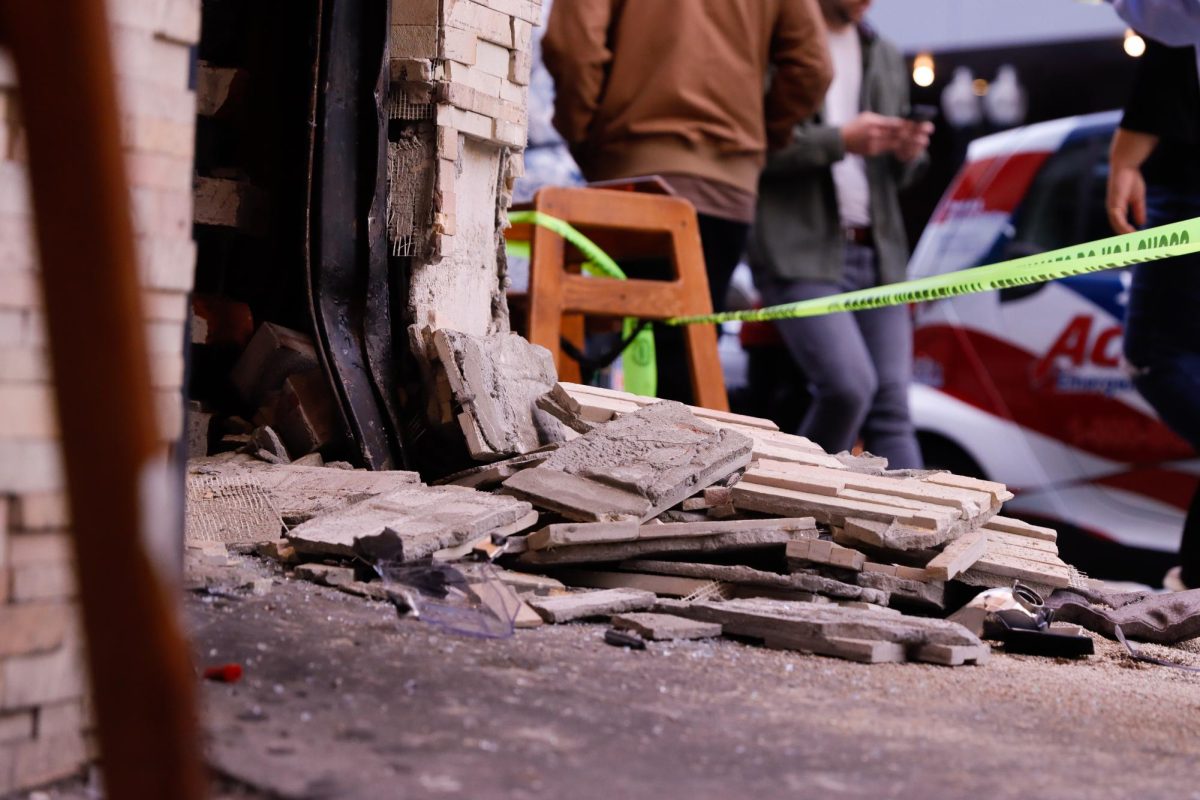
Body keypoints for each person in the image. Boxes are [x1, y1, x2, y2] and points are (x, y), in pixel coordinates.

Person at [541, 0, 833, 400]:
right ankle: (695, 457)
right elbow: (813, 67)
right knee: (690, 356)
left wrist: (585, 136)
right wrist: (760, 135)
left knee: (618, 350)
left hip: (631, 172)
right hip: (727, 190)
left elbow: (573, 45)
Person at [748, 0, 931, 469]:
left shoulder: (883, 50)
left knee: (892, 408)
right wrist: (840, 141)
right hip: (800, 252)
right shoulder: (776, 38)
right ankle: (796, 497)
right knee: (849, 388)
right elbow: (752, 145)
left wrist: (909, 152)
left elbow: (901, 177)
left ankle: (920, 530)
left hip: (879, 252)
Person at [1106, 36, 1200, 590]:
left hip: (1183, 188)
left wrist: (1126, 155)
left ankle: (1189, 584)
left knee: (1153, 358)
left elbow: (1175, 29)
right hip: (1179, 187)